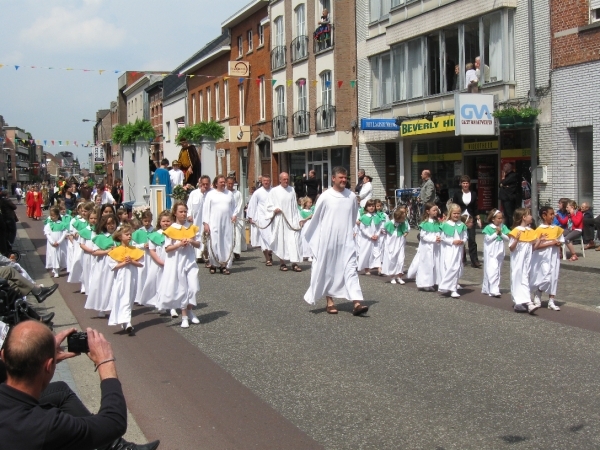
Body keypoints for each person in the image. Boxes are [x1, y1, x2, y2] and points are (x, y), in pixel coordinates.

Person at [0, 321, 160, 450]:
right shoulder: (46, 425)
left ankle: (115, 446)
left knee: (60, 390)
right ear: (48, 366)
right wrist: (105, 362)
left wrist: (39, 353)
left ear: (3, 356)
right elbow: (114, 422)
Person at [303, 166, 369, 316]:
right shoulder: (325, 197)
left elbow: (353, 217)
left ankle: (357, 302)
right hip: (328, 240)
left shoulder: (351, 197)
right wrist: (317, 241)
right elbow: (317, 219)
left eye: (345, 178)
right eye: (341, 178)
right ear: (333, 178)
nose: (344, 180)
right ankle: (330, 302)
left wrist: (350, 232)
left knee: (350, 270)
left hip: (346, 240)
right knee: (329, 270)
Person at [155, 202, 201, 328]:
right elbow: (167, 248)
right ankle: (184, 316)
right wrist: (179, 244)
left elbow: (199, 244)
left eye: (185, 211)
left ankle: (190, 310)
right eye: (181, 211)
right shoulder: (171, 229)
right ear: (175, 213)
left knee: (193, 287)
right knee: (182, 289)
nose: (184, 214)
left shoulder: (191, 227)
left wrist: (191, 241)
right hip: (177, 261)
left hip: (190, 260)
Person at [107, 224, 144, 334]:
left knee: (130, 297)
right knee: (123, 297)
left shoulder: (134, 249)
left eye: (130, 234)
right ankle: (127, 322)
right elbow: (113, 266)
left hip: (132, 277)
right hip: (121, 277)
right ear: (120, 237)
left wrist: (132, 261)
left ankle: (125, 321)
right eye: (126, 234)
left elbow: (141, 264)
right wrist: (123, 263)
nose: (129, 236)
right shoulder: (116, 250)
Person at [266, 172, 303, 272]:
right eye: (284, 179)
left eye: (287, 179)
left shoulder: (291, 190)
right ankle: (282, 263)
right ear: (280, 180)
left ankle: (294, 263)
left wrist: (299, 219)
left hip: (292, 220)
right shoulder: (274, 191)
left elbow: (295, 206)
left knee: (294, 242)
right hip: (281, 220)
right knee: (282, 242)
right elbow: (269, 205)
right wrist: (275, 209)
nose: (286, 181)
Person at [531, 206, 563, 311]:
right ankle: (538, 292)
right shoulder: (539, 229)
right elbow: (535, 246)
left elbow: (560, 241)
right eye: (551, 214)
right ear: (544, 216)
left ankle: (551, 301)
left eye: (553, 214)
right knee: (546, 276)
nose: (553, 216)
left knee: (554, 276)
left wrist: (558, 244)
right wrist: (551, 242)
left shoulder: (556, 229)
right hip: (543, 256)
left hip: (554, 255)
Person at [85, 214, 117, 318]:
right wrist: (107, 251)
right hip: (104, 264)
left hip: (117, 264)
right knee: (103, 285)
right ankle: (102, 307)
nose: (111, 225)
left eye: (113, 223)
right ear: (104, 225)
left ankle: (114, 307)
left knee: (114, 286)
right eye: (109, 224)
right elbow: (95, 252)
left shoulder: (119, 236)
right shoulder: (100, 237)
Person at [202, 176, 236, 275]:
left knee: (226, 243)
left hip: (226, 223)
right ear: (216, 183)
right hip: (214, 223)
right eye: (221, 182)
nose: (223, 183)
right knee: (214, 243)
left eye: (224, 182)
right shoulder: (210, 194)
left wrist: (234, 215)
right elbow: (206, 210)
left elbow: (234, 207)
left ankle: (224, 265)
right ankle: (213, 264)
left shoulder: (229, 194)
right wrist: (206, 224)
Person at [508, 208, 540, 314]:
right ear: (524, 217)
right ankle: (519, 301)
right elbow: (511, 248)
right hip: (517, 260)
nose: (531, 216)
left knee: (525, 278)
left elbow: (533, 248)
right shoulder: (516, 231)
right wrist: (516, 240)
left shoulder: (531, 231)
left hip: (527, 260)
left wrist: (539, 240)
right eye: (529, 215)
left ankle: (526, 302)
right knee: (517, 277)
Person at [406, 202, 441, 292]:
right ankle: (424, 283)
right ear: (428, 211)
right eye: (434, 210)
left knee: (434, 264)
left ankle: (431, 282)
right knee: (426, 265)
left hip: (435, 247)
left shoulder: (437, 222)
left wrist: (439, 237)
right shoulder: (425, 223)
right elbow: (423, 236)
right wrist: (434, 239)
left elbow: (439, 232)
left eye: (436, 210)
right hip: (427, 247)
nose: (436, 212)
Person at [438, 204, 467, 298]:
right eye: (454, 213)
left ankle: (453, 289)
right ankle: (445, 285)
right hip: (448, 249)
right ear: (450, 213)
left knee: (456, 268)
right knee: (449, 267)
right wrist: (452, 241)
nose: (456, 215)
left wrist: (462, 241)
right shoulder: (445, 225)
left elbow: (465, 236)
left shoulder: (462, 225)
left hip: (458, 249)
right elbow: (443, 237)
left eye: (458, 213)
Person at [453, 175, 481, 268]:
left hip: (470, 218)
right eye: (464, 183)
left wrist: (478, 217)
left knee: (472, 239)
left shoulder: (473, 193)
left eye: (467, 183)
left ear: (469, 184)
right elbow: (454, 206)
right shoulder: (457, 194)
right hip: (460, 218)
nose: (465, 185)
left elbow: (475, 206)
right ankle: (462, 259)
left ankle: (474, 260)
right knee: (461, 239)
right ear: (461, 184)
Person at [481, 209, 510, 297]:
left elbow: (508, 238)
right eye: (498, 218)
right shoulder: (488, 227)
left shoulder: (503, 227)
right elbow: (488, 239)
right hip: (491, 250)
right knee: (492, 269)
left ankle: (490, 288)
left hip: (500, 249)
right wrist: (496, 233)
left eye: (501, 218)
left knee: (498, 269)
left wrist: (501, 233)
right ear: (493, 219)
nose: (500, 220)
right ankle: (493, 289)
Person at [246, 175, 274, 266]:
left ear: (270, 181)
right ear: (262, 181)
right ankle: (267, 259)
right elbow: (252, 205)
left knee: (272, 238)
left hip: (272, 219)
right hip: (261, 219)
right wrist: (250, 217)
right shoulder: (258, 193)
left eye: (268, 180)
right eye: (264, 180)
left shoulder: (274, 191)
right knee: (264, 239)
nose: (266, 182)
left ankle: (270, 252)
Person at [381, 207, 409, 285]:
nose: (403, 221)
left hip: (400, 242)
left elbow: (406, 230)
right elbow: (383, 230)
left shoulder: (403, 223)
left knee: (401, 260)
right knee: (392, 260)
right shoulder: (389, 223)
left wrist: (405, 234)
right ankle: (392, 276)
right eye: (402, 219)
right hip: (391, 243)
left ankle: (399, 276)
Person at [187, 175, 212, 262]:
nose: (205, 186)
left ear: (210, 184)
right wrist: (189, 215)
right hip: (197, 219)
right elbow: (189, 205)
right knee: (197, 235)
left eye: (207, 184)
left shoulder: (212, 193)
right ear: (200, 183)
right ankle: (198, 255)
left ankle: (207, 255)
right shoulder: (194, 193)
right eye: (203, 184)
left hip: (208, 219)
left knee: (207, 236)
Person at [356, 199, 383, 276]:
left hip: (375, 238)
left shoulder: (377, 216)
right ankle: (366, 268)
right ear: (366, 207)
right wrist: (370, 236)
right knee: (366, 253)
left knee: (377, 252)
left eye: (373, 206)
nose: (371, 207)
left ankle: (379, 268)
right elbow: (362, 228)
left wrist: (377, 235)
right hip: (367, 239)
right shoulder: (364, 217)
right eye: (369, 206)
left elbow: (379, 227)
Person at [226, 177, 248, 260]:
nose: (230, 185)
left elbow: (239, 205)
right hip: (227, 218)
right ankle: (229, 252)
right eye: (229, 183)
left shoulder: (238, 193)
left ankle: (236, 252)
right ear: (226, 183)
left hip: (237, 217)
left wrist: (235, 214)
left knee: (237, 235)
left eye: (232, 183)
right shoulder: (224, 193)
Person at [44, 207, 68, 278]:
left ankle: (59, 268)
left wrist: (59, 241)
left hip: (60, 244)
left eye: (54, 215)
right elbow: (47, 234)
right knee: (53, 256)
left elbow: (64, 233)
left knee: (60, 256)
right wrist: (52, 242)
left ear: (57, 215)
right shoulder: (49, 224)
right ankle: (55, 270)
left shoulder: (62, 224)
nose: (52, 217)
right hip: (52, 244)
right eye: (51, 215)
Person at [499, 163, 520, 228]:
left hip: (509, 198)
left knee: (510, 214)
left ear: (509, 167)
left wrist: (503, 184)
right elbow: (500, 184)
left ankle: (512, 227)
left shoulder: (513, 175)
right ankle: (507, 228)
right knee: (506, 214)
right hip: (504, 198)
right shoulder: (506, 176)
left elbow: (503, 182)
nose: (504, 167)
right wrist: (503, 185)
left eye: (505, 166)